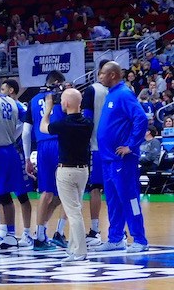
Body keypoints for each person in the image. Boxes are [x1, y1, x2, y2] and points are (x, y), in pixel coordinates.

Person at [94, 61, 149, 252]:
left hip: (122, 160)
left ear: (112, 75)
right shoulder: (112, 95)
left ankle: (140, 239)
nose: (99, 76)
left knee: (129, 198)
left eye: (102, 74)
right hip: (108, 159)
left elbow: (141, 118)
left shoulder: (124, 94)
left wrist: (131, 145)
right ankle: (116, 238)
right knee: (113, 200)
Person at [40, 88, 93, 262]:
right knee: (76, 208)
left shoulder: (62, 124)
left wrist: (47, 109)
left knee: (73, 212)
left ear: (65, 103)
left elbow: (43, 128)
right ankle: (74, 247)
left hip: (67, 170)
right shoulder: (87, 123)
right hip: (83, 170)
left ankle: (80, 251)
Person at [23, 70, 67, 251]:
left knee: (48, 193)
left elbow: (26, 133)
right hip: (60, 143)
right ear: (57, 82)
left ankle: (40, 234)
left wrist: (27, 158)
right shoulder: (62, 97)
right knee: (70, 191)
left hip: (41, 147)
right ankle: (58, 233)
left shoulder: (33, 100)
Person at [0, 77, 29, 247]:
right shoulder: (14, 103)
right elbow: (27, 120)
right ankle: (8, 233)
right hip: (11, 150)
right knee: (6, 196)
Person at [81, 59, 110, 246]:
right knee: (115, 189)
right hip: (116, 148)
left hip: (97, 147)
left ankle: (95, 230)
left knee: (95, 188)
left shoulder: (93, 90)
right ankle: (118, 231)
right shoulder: (124, 91)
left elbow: (87, 120)